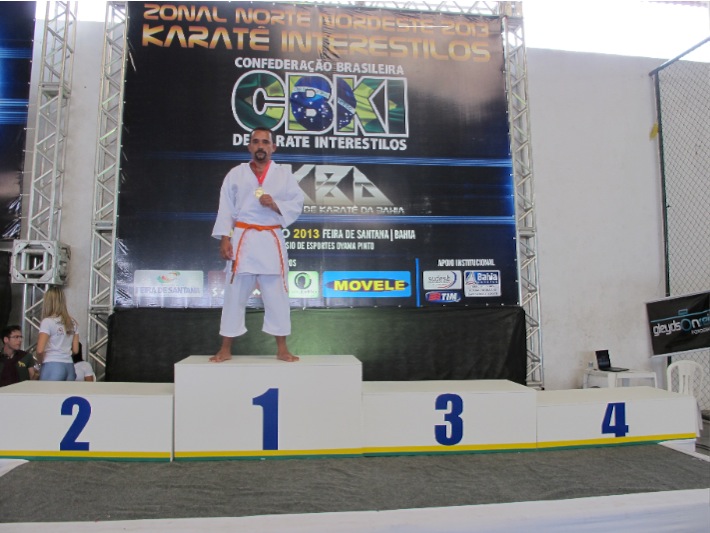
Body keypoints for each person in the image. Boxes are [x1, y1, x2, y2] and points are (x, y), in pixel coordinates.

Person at [210, 127, 304, 363]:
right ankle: (225, 348)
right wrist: (225, 238)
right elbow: (226, 207)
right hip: (243, 239)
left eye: (265, 142)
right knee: (234, 295)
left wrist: (275, 204)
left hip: (271, 239)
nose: (261, 146)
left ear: (273, 147)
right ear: (250, 146)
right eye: (256, 142)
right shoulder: (236, 174)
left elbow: (297, 203)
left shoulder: (284, 175)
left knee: (277, 296)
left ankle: (282, 349)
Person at [36, 286, 80, 381]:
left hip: (52, 364)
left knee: (46, 391)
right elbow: (76, 350)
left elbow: (40, 350)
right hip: (69, 366)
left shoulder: (47, 321)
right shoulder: (73, 322)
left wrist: (40, 363)